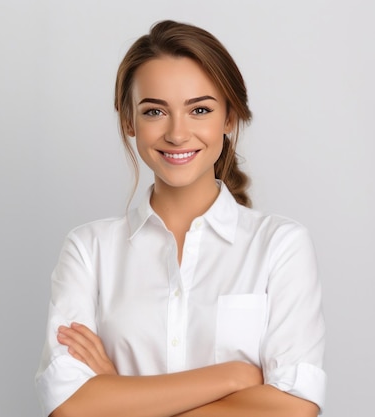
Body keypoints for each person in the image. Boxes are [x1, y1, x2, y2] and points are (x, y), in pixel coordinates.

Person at [35, 20, 326, 417]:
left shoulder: (279, 246)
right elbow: (68, 407)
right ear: (128, 122)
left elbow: (294, 409)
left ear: (228, 119)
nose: (177, 133)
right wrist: (235, 375)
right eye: (154, 111)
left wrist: (118, 393)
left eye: (200, 110)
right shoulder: (89, 251)